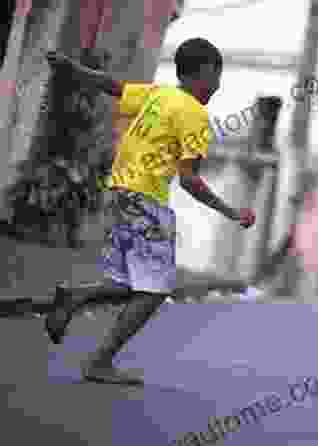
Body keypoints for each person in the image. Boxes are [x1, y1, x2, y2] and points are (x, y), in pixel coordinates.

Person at [44, 38, 257, 385]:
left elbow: (112, 85)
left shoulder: (159, 95)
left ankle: (75, 296)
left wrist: (72, 68)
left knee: (128, 282)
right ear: (202, 73)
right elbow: (189, 180)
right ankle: (99, 361)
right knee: (155, 290)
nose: (217, 86)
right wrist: (231, 212)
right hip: (146, 199)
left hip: (123, 192)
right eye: (216, 76)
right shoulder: (195, 114)